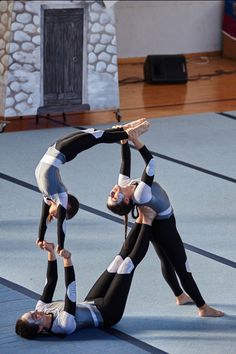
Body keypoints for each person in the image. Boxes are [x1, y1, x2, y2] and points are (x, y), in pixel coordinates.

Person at [106, 133, 224, 317]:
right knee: (182, 266)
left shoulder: (124, 185)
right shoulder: (140, 194)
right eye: (114, 197)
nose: (112, 192)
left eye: (110, 195)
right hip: (164, 226)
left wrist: (123, 141)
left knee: (165, 259)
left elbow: (125, 160)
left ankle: (180, 296)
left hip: (155, 225)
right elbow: (150, 163)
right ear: (127, 199)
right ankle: (203, 307)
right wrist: (135, 139)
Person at [15, 206, 156, 339]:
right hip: (108, 313)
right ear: (40, 329)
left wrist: (50, 253)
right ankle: (148, 221)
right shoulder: (63, 325)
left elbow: (50, 282)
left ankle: (140, 219)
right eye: (34, 317)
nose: (35, 312)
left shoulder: (42, 308)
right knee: (126, 266)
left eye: (30, 312)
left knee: (117, 261)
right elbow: (70, 293)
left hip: (91, 303)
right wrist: (67, 260)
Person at [35, 118, 149, 254]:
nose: (54, 216)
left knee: (93, 134)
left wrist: (40, 238)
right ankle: (127, 134)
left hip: (54, 148)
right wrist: (60, 246)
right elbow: (62, 226)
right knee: (95, 136)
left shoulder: (47, 197)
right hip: (63, 152)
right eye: (59, 215)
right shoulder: (61, 196)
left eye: (55, 217)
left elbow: (43, 219)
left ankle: (124, 131)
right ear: (67, 207)